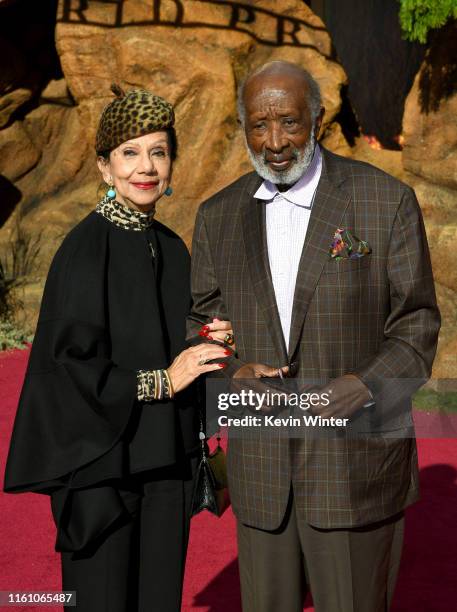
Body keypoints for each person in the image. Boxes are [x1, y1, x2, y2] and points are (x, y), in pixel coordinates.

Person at [188, 61, 441, 611]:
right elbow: (203, 324)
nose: (274, 142)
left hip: (355, 468)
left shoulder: (384, 200)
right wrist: (232, 370)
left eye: (289, 122)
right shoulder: (217, 216)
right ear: (243, 127)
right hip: (262, 474)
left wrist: (365, 386)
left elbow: (417, 325)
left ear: (319, 119)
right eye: (259, 124)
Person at [4, 85, 234, 612]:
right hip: (102, 471)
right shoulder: (84, 249)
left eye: (158, 151)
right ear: (104, 168)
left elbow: (173, 344)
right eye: (129, 153)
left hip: (166, 468)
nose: (146, 167)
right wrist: (162, 380)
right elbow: (67, 370)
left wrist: (210, 344)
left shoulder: (174, 250)